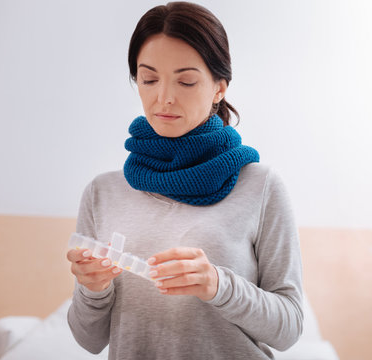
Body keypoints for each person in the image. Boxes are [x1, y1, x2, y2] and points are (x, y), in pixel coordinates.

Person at [65, 2, 303, 359]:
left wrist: (218, 286)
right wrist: (94, 290)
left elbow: (289, 328)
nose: (164, 97)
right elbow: (89, 340)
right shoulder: (103, 193)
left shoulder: (261, 186)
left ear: (219, 88)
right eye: (148, 79)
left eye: (186, 80)